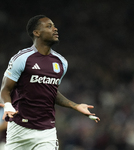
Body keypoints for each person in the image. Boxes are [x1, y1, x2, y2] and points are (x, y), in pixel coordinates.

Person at [0, 15, 100, 150]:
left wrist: (75, 106)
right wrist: (7, 105)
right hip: (19, 130)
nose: (55, 29)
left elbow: (51, 91)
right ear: (36, 33)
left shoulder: (61, 62)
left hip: (47, 132)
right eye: (49, 26)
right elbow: (5, 89)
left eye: (54, 26)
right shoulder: (22, 58)